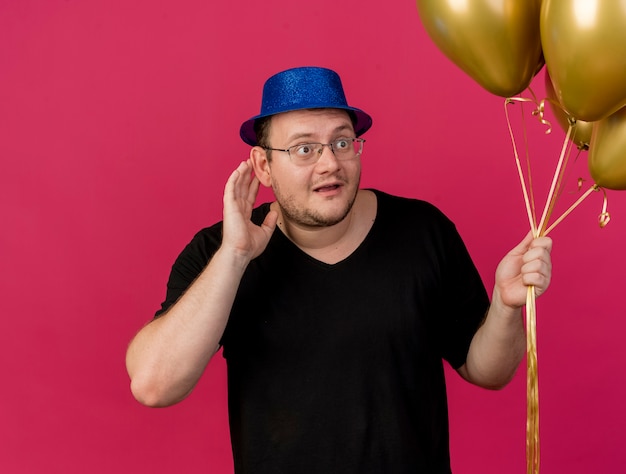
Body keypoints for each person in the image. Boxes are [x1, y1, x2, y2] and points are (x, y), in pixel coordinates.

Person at [126, 66, 553, 473]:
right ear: (263, 167)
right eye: (304, 148)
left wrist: (505, 305)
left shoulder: (423, 230)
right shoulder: (218, 251)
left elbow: (487, 372)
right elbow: (154, 385)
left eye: (342, 142)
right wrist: (235, 256)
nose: (330, 163)